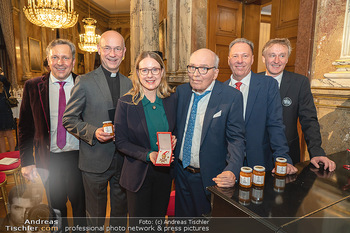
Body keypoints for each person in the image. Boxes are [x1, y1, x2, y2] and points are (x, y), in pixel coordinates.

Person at [63, 30, 132, 228]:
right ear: (99, 50)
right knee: (95, 216)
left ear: (124, 52)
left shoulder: (130, 83)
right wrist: (93, 132)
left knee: (120, 213)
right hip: (94, 159)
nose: (112, 53)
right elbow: (69, 119)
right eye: (107, 48)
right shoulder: (84, 81)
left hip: (123, 160)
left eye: (117, 48)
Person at [18, 39, 86, 226]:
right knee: (55, 209)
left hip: (79, 158)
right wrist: (27, 161)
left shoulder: (84, 84)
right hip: (49, 158)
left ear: (73, 61)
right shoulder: (32, 86)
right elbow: (25, 127)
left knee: (81, 207)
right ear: (48, 60)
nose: (60, 62)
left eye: (65, 57)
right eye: (55, 57)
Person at [174, 48, 245, 217]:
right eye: (192, 67)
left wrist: (233, 170)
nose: (196, 74)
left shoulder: (231, 96)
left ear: (215, 73)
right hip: (180, 173)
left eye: (203, 68)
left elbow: (236, 139)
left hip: (209, 178)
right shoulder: (181, 92)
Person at [115, 51, 176, 217]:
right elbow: (120, 142)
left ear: (162, 72)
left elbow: (176, 128)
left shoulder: (171, 99)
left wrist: (175, 138)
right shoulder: (126, 103)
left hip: (164, 176)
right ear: (137, 73)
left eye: (155, 69)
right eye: (144, 70)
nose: (150, 75)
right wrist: (149, 155)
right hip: (137, 176)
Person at [261, 38, 336, 171]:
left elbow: (309, 120)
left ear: (287, 59)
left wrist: (317, 151)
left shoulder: (299, 83)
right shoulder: (253, 82)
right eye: (272, 55)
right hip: (256, 154)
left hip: (288, 155)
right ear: (263, 58)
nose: (277, 60)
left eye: (282, 56)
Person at [225, 38, 298, 174]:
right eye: (235, 56)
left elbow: (275, 124)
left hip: (258, 164)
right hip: (226, 165)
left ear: (252, 59)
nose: (240, 60)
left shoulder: (268, 85)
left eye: (245, 56)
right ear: (229, 59)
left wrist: (283, 158)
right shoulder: (220, 90)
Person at [0, 67, 16, 153]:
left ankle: (12, 153)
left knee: (9, 133)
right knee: (0, 135)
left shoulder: (4, 86)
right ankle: (3, 154)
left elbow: (5, 80)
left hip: (6, 111)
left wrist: (1, 75)